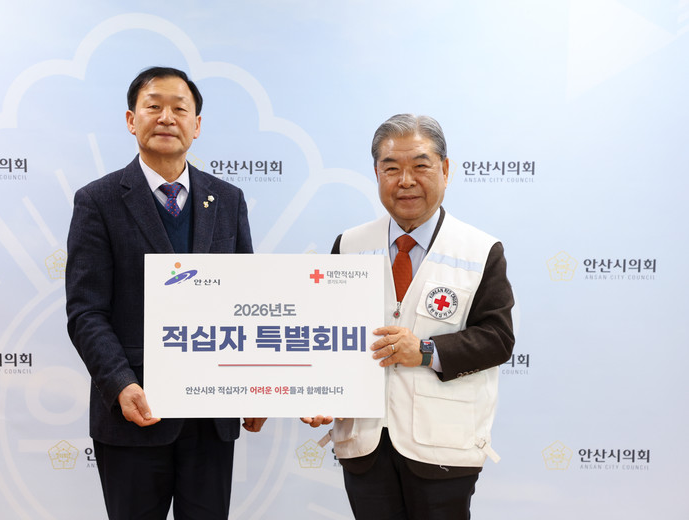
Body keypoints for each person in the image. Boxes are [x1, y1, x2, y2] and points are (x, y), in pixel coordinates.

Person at [66, 66, 266, 520]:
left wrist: (255, 385)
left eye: (180, 109)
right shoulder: (97, 201)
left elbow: (247, 303)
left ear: (197, 125)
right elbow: (86, 311)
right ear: (131, 120)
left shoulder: (228, 199)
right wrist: (120, 382)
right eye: (153, 106)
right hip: (136, 411)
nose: (166, 118)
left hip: (212, 415)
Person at [303, 114, 515, 520]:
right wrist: (318, 394)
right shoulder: (349, 245)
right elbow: (325, 334)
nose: (405, 181)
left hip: (442, 446)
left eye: (420, 166)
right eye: (391, 168)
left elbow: (497, 338)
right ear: (376, 174)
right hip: (364, 444)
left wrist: (426, 351)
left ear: (445, 170)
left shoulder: (480, 250)